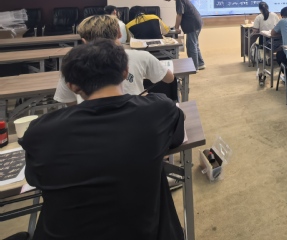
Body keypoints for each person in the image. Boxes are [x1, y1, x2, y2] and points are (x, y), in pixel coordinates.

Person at [21, 39, 185, 240]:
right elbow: (176, 137)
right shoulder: (159, 111)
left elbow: (35, 178)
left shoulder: (40, 133)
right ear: (125, 72)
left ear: (72, 86)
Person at [54, 15, 176, 104]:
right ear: (119, 34)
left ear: (84, 41)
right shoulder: (141, 56)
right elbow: (169, 78)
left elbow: (68, 100)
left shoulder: (72, 64)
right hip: (134, 117)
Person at [159, 0, 205, 71]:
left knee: (191, 46)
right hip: (196, 23)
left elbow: (179, 15)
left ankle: (194, 67)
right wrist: (176, 26)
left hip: (193, 24)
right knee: (194, 44)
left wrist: (176, 28)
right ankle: (200, 63)